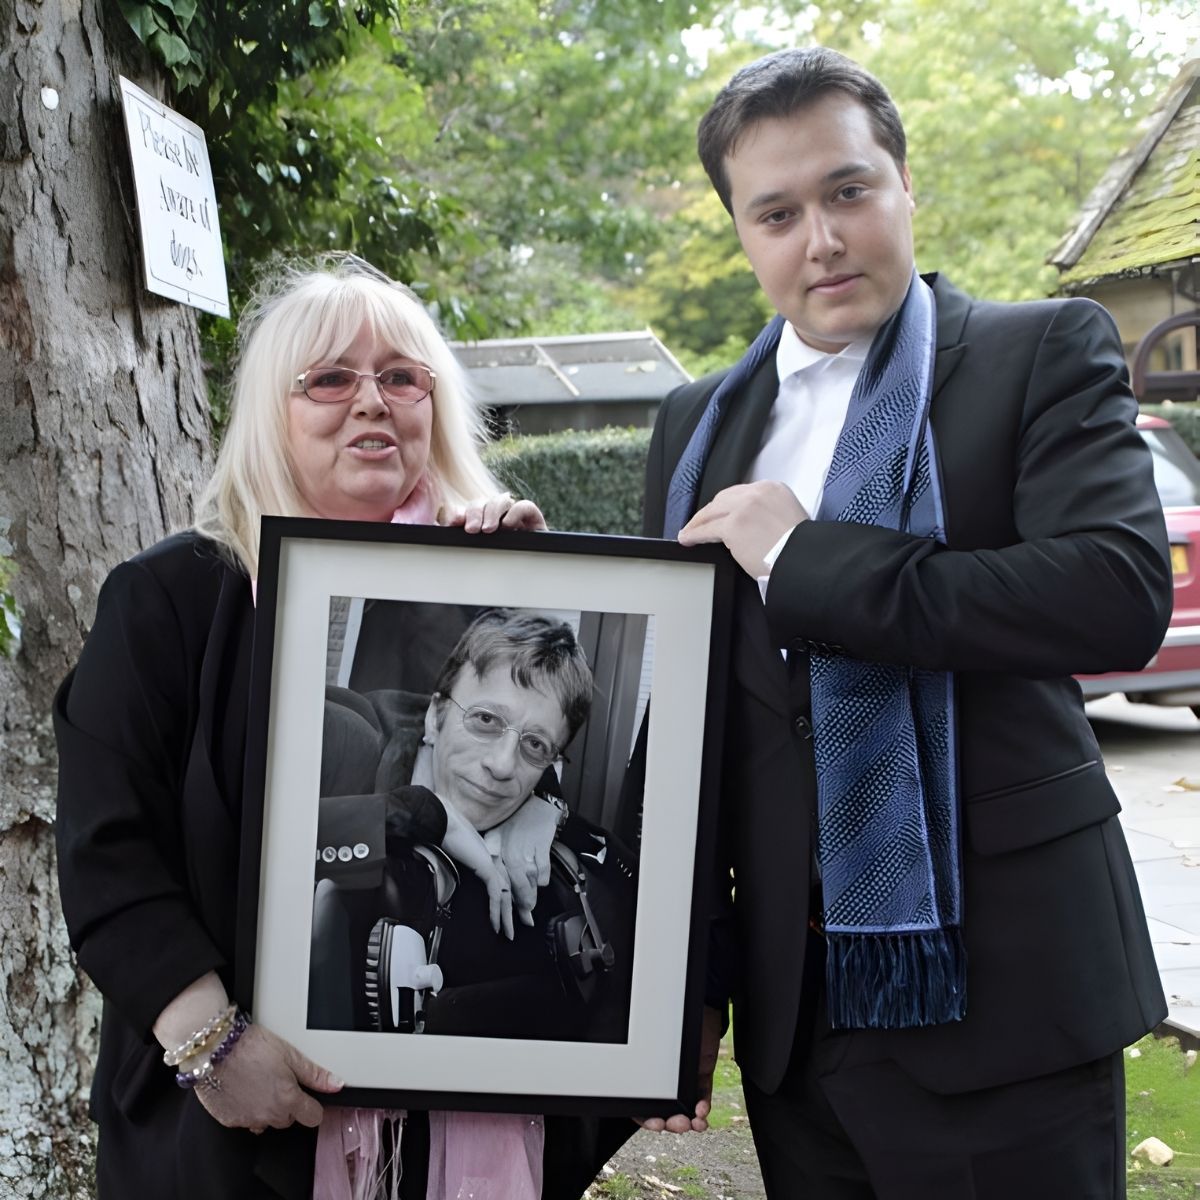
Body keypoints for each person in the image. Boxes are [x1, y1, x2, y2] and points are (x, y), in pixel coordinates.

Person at [638, 47, 1173, 1200]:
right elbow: (686, 730)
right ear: (742, 232)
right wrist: (690, 980)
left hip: (1009, 1002)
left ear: (905, 183)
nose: (822, 239)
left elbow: (1115, 592)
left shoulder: (1040, 351)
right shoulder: (692, 424)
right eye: (778, 213)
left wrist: (804, 561)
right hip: (799, 1025)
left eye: (848, 191)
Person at [53, 256, 632, 1200]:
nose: (371, 400)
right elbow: (106, 849)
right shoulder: (169, 600)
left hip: (455, 1131)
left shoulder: (491, 594)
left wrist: (526, 582)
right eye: (329, 378)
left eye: (401, 377)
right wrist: (210, 1045)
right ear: (272, 411)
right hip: (229, 1133)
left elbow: (526, 763)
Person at [310, 607, 637, 1048]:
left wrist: (552, 809)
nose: (502, 765)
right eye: (485, 720)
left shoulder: (544, 840)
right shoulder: (339, 738)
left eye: (534, 745)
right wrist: (420, 812)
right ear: (435, 715)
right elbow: (254, 848)